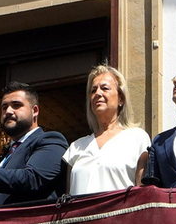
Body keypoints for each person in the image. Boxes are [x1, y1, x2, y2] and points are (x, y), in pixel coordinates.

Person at [0, 82, 69, 207]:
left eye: (16, 105)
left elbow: (33, 179)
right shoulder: (1, 160)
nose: (8, 111)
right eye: (4, 107)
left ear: (35, 110)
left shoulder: (51, 140)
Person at [63, 65, 152, 195]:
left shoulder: (137, 138)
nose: (97, 94)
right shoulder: (76, 147)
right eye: (93, 90)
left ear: (121, 98)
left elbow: (142, 195)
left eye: (105, 88)